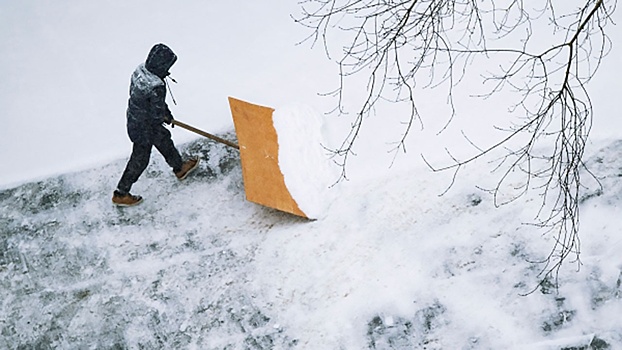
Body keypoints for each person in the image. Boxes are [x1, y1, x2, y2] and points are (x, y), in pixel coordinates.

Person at [112, 43, 199, 206]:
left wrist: (164, 114)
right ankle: (121, 193)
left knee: (164, 140)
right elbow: (156, 112)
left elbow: (152, 105)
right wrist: (165, 116)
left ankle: (179, 167)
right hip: (143, 127)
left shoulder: (140, 70)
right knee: (140, 159)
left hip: (135, 118)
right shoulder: (156, 86)